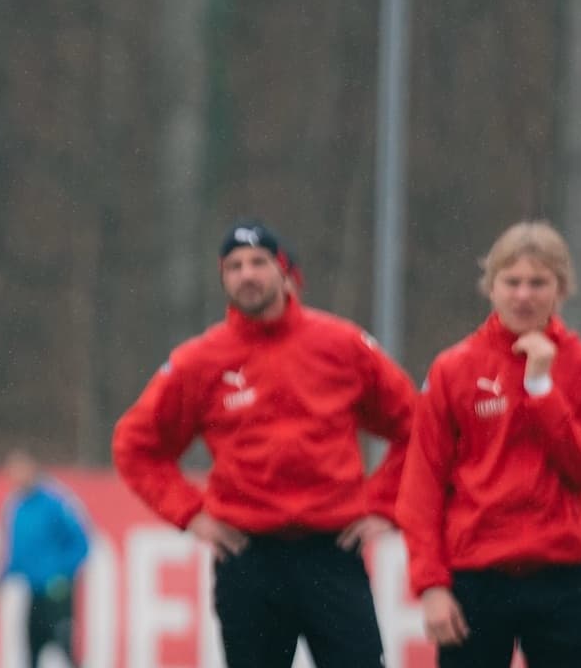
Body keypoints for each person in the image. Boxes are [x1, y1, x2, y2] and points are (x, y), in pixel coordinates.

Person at [112, 220, 415, 668]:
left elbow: (418, 427)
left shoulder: (341, 345)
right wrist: (190, 514)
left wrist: (386, 505)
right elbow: (135, 445)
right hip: (247, 557)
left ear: (285, 272)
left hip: (330, 553)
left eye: (258, 263)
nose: (246, 275)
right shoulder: (201, 360)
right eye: (233, 266)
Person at [396, 221, 581, 668]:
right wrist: (432, 586)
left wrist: (541, 387)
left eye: (538, 282)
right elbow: (422, 484)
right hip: (475, 580)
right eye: (512, 281)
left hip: (560, 578)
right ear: (491, 288)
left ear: (560, 289)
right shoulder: (454, 368)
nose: (523, 295)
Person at [0, 450, 89, 668]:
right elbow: (15, 553)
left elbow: (81, 543)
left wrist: (64, 573)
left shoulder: (55, 502)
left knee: (65, 648)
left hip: (56, 592)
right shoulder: (16, 507)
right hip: (34, 591)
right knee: (32, 650)